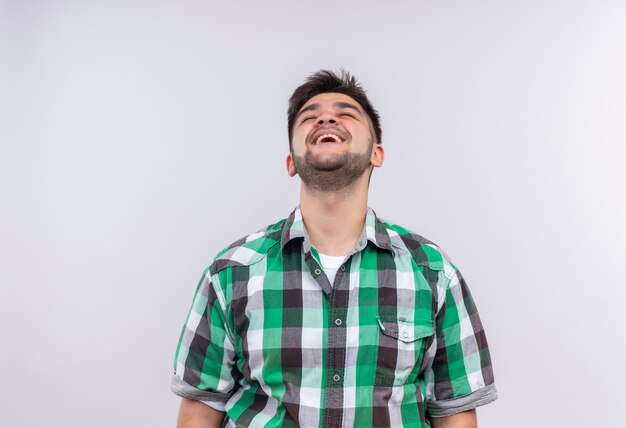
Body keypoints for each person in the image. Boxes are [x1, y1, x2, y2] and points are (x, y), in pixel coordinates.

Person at [171, 70, 497, 428]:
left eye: (346, 114)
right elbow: (201, 408)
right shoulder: (232, 272)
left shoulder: (433, 272)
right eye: (310, 116)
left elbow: (455, 413)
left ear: (377, 153)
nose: (326, 118)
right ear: (291, 161)